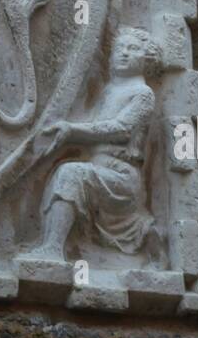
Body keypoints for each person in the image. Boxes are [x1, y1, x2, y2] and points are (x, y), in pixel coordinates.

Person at [27, 26, 161, 260]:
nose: (124, 53)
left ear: (147, 58)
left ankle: (52, 248)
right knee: (65, 173)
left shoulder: (143, 94)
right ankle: (48, 244)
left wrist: (73, 131)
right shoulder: (110, 91)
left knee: (71, 174)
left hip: (121, 178)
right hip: (100, 169)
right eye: (120, 48)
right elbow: (92, 125)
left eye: (133, 49)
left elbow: (122, 129)